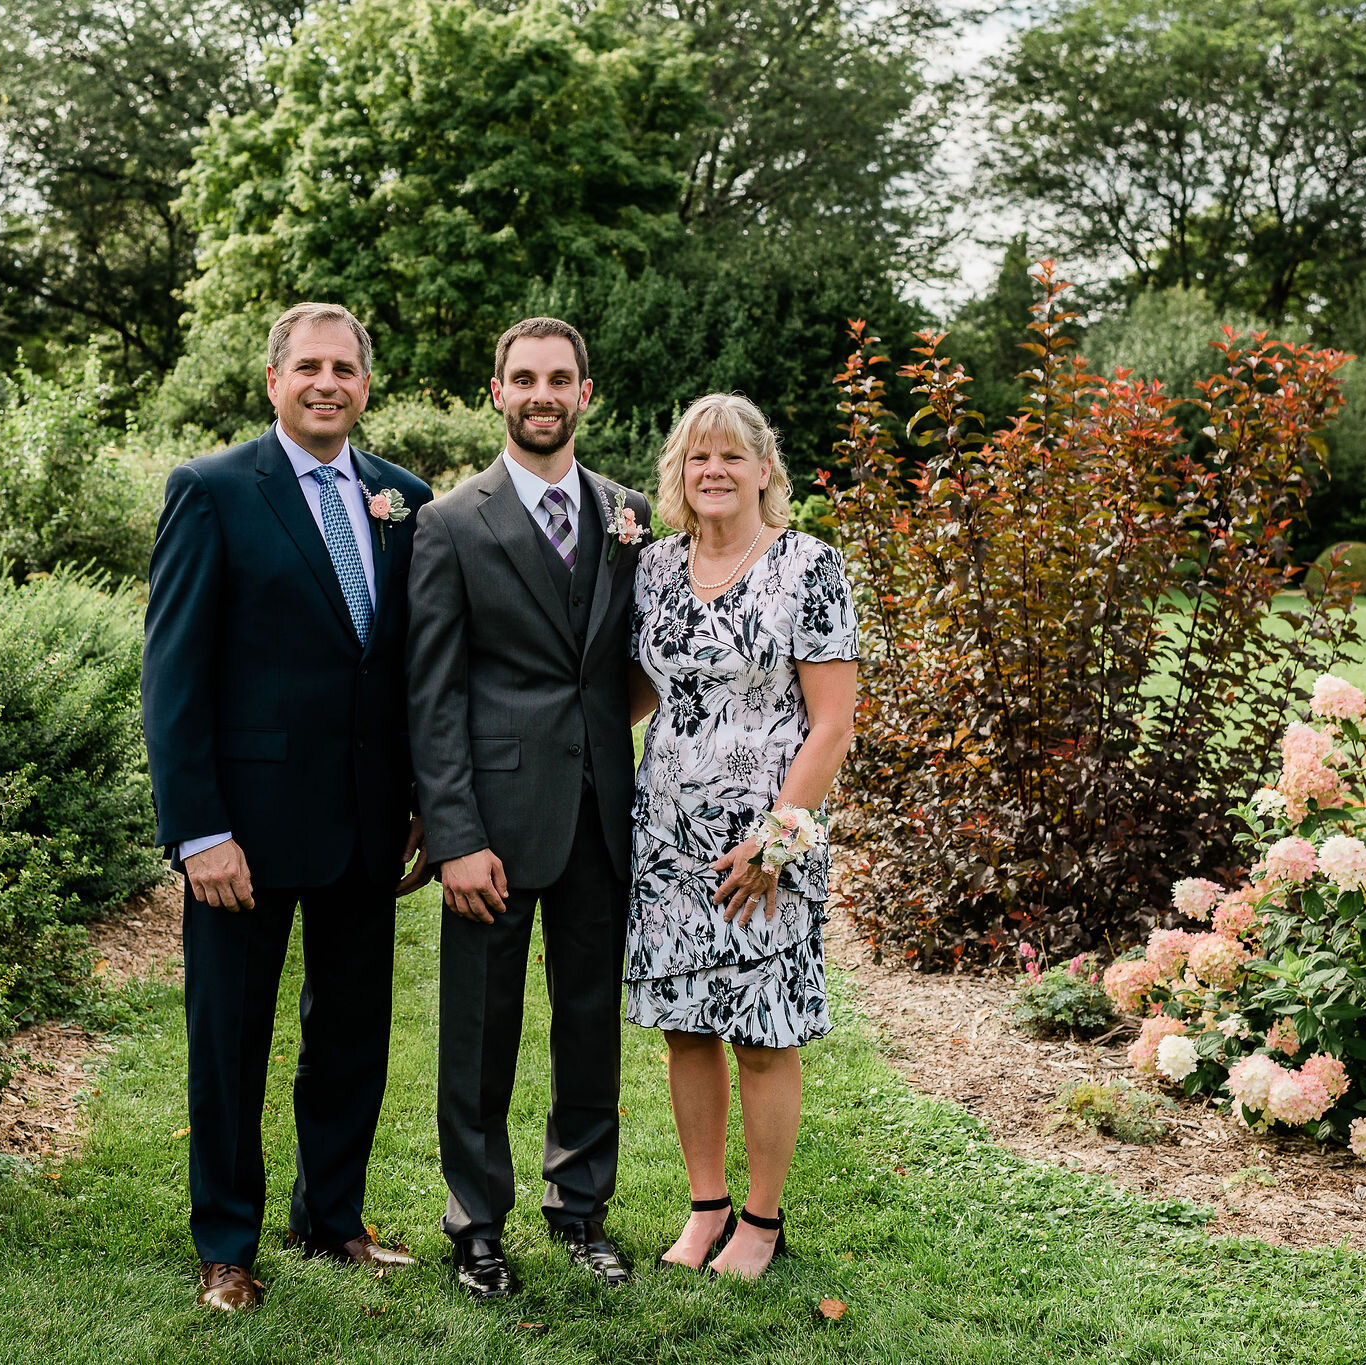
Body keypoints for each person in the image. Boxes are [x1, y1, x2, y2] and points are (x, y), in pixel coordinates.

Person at [141, 302, 432, 1312]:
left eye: (343, 368)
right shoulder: (213, 491)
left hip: (363, 821)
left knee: (350, 1033)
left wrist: (420, 802)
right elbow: (171, 676)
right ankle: (226, 1243)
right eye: (306, 367)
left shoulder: (403, 499)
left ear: (363, 384)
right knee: (230, 1042)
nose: (326, 383)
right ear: (272, 381)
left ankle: (331, 1220)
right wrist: (198, 832)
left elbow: (407, 672)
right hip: (243, 834)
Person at [407, 317, 654, 1299]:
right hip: (493, 825)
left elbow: (632, 662)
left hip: (600, 808)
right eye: (523, 379)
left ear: (585, 393)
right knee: (479, 1031)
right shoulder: (448, 523)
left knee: (588, 1021)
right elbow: (428, 696)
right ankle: (475, 1227)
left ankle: (579, 1208)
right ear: (496, 393)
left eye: (559, 378)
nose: (541, 394)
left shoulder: (627, 513)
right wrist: (453, 836)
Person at [625, 393, 859, 1279]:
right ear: (678, 476)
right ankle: (705, 1205)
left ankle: (761, 1219)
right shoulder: (653, 570)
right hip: (669, 839)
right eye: (696, 458)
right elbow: (647, 691)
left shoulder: (809, 566)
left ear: (766, 470)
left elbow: (832, 724)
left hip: (766, 845)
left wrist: (775, 843)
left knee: (762, 1034)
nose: (712, 471)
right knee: (685, 1027)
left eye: (731, 456)